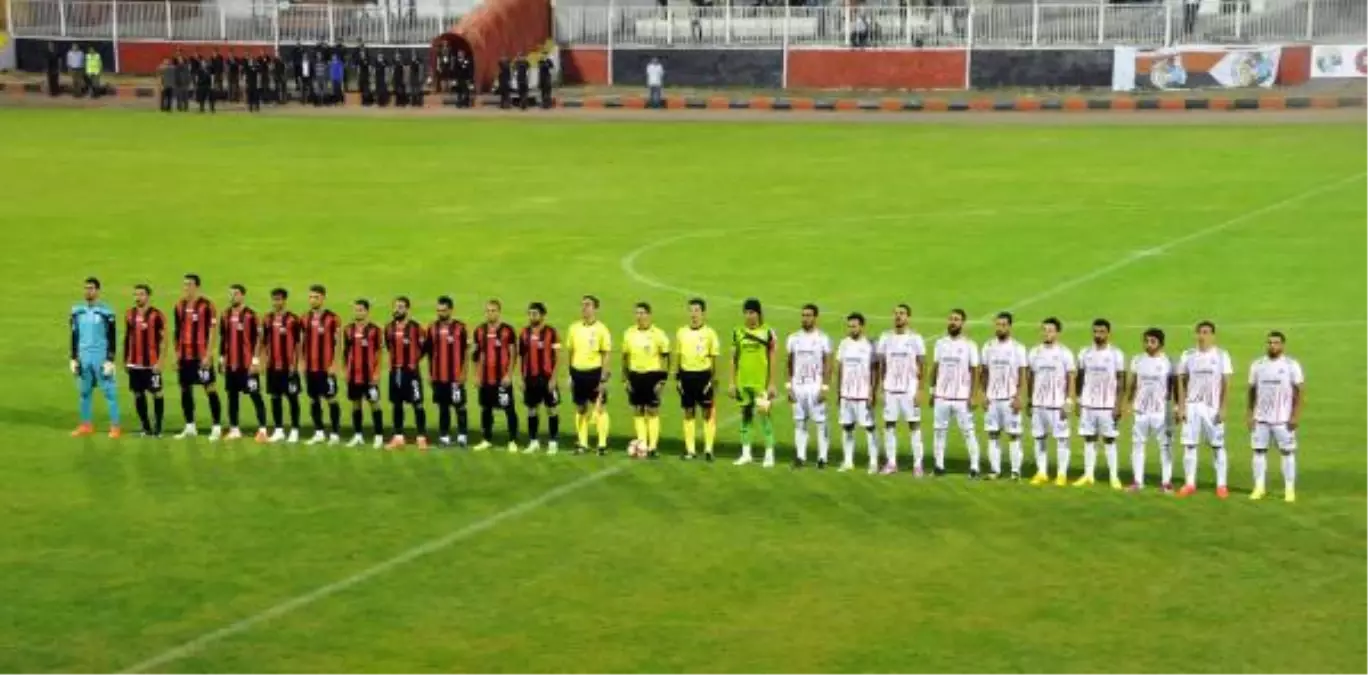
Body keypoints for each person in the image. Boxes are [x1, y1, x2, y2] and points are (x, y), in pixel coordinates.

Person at [1175, 321, 1234, 498]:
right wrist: (1180, 406)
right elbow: (1181, 381)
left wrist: (1223, 408)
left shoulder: (1222, 355)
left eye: (1206, 332)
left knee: (1217, 446)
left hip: (1212, 408)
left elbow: (1226, 383)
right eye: (1200, 332)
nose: (1202, 336)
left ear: (1213, 335)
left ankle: (1221, 485)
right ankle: (1189, 483)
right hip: (1192, 406)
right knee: (1189, 445)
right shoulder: (1188, 355)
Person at [1247, 331, 1304, 503]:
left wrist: (1295, 415)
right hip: (1261, 418)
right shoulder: (1257, 365)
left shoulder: (1291, 365)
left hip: (1283, 419)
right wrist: (1250, 414)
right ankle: (1259, 487)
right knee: (1258, 452)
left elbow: (1299, 391)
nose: (1272, 345)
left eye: (1276, 342)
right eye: (1270, 342)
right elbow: (1252, 390)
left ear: (1283, 345)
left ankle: (1289, 490)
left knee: (1287, 453)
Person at [928, 309, 982, 477]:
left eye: (956, 319)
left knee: (968, 431)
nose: (952, 322)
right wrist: (932, 390)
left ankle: (974, 467)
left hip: (961, 397)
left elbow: (975, 371)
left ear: (963, 323)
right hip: (941, 396)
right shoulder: (940, 343)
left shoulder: (969, 345)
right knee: (939, 431)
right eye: (951, 319)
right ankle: (938, 465)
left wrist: (973, 395)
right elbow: (935, 368)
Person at [874, 304, 926, 475]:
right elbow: (881, 365)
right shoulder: (885, 337)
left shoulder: (916, 338)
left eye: (902, 313)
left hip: (909, 389)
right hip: (890, 388)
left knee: (914, 425)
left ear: (908, 317)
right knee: (889, 425)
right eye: (896, 313)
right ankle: (891, 463)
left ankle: (918, 464)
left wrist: (920, 390)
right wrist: (881, 387)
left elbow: (922, 365)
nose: (898, 316)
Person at [1074, 319, 1126, 489]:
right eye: (1095, 331)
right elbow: (1080, 378)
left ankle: (1113, 476)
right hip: (1088, 404)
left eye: (1102, 332)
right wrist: (1078, 400)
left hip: (1108, 405)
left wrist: (1118, 404)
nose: (1098, 335)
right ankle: (1088, 475)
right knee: (1089, 439)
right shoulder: (1084, 352)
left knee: (1109, 440)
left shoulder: (1116, 354)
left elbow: (1121, 380)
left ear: (1108, 333)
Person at [172, 274, 222, 440]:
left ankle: (216, 426)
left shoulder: (207, 305)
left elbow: (213, 331)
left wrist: (209, 354)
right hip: (185, 357)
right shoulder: (179, 305)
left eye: (190, 284)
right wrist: (176, 354)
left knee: (210, 389)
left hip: (201, 356)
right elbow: (177, 331)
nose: (186, 287)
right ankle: (190, 426)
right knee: (185, 389)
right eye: (185, 284)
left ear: (197, 286)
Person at [70, 277, 121, 438]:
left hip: (100, 356)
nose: (88, 291)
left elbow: (112, 337)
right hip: (83, 356)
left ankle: (115, 427)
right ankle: (86, 425)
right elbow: (74, 335)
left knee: (109, 393)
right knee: (84, 392)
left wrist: (110, 359)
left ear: (98, 291)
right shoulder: (76, 311)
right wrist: (73, 357)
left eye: (91, 288)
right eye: (86, 288)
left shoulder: (107, 312)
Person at [1026, 317, 1075, 485]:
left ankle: (1061, 474)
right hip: (1039, 403)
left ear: (1057, 333)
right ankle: (1041, 472)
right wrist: (1030, 400)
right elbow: (1031, 377)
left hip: (1057, 405)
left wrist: (1069, 400)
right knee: (1039, 438)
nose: (1047, 333)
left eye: (1050, 330)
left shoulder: (1065, 353)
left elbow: (1071, 377)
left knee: (1062, 439)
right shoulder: (1034, 352)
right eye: (1044, 330)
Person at [980, 311, 1028, 480]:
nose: (1000, 328)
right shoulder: (988, 346)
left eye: (1003, 325)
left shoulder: (1018, 348)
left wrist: (1019, 396)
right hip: (992, 399)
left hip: (1009, 398)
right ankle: (995, 470)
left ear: (1009, 326)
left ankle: (1015, 471)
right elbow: (984, 373)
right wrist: (984, 394)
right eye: (997, 324)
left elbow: (1023, 374)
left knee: (1014, 435)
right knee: (993, 434)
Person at [730, 298, 778, 467]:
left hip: (761, 384)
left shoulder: (768, 332)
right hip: (744, 383)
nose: (749, 316)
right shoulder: (738, 332)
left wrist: (771, 383)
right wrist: (732, 383)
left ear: (758, 314)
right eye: (746, 312)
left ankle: (769, 454)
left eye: (752, 312)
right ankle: (746, 453)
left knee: (765, 418)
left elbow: (773, 359)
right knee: (745, 417)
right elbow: (734, 360)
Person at [1126, 328, 1174, 492]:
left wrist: (1174, 407)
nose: (1148, 344)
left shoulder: (1168, 361)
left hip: (1161, 411)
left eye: (1152, 341)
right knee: (1138, 445)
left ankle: (1166, 482)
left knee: (1165, 446)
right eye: (1146, 341)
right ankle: (1137, 481)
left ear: (1160, 343)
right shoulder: (1137, 360)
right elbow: (1132, 384)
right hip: (1141, 410)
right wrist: (1128, 404)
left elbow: (1172, 386)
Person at [220, 285, 268, 442]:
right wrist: (221, 359)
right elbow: (223, 338)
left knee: (255, 395)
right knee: (232, 396)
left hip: (247, 365)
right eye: (230, 293)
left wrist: (255, 361)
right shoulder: (225, 314)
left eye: (235, 294)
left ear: (242, 296)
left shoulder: (251, 315)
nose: (232, 296)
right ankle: (234, 429)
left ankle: (262, 430)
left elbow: (259, 340)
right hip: (231, 364)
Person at [675, 298, 720, 461]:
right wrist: (677, 376)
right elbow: (678, 355)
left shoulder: (710, 333)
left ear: (703, 313)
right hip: (686, 376)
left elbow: (714, 358)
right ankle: (690, 450)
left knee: (707, 413)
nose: (693, 314)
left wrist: (714, 379)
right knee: (688, 412)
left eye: (696, 310)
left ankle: (708, 449)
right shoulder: (682, 332)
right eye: (691, 310)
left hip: (703, 376)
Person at [786, 304, 831, 468]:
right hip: (798, 387)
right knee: (800, 423)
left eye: (809, 315)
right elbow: (789, 364)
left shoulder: (823, 338)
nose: (805, 318)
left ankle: (822, 458)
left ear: (815, 317)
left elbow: (828, 364)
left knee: (820, 423)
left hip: (815, 386)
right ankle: (800, 457)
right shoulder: (793, 338)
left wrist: (825, 387)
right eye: (803, 315)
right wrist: (789, 386)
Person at [622, 303, 670, 458]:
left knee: (652, 410)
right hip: (634, 375)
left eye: (642, 313)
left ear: (649, 315)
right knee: (638, 410)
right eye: (637, 313)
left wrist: (662, 381)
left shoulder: (658, 334)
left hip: (652, 376)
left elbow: (666, 357)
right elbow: (625, 357)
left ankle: (653, 447)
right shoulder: (629, 333)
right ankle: (642, 443)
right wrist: (625, 378)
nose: (639, 316)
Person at [566, 295, 612, 455]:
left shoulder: (602, 329)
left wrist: (604, 376)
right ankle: (583, 443)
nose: (584, 308)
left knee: (599, 408)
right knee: (580, 408)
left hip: (594, 372)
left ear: (595, 308)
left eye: (588, 305)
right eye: (583, 305)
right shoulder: (574, 328)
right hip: (578, 372)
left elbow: (606, 353)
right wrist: (570, 374)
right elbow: (570, 352)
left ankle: (602, 444)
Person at [472, 300, 520, 451]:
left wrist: (509, 374)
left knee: (508, 409)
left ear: (499, 312)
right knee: (486, 409)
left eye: (493, 310)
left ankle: (512, 440)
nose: (490, 313)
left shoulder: (507, 330)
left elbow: (513, 354)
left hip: (502, 379)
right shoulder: (479, 330)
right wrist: (476, 375)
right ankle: (486, 439)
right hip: (485, 379)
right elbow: (475, 355)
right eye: (488, 310)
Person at [835, 313, 878, 473]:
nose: (851, 329)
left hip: (863, 394)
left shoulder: (869, 345)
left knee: (869, 427)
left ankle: (873, 462)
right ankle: (848, 461)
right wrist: (839, 391)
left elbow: (875, 370)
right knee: (847, 427)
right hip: (846, 394)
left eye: (854, 326)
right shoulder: (844, 344)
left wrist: (872, 391)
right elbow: (840, 368)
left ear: (862, 326)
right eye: (849, 326)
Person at [260, 288, 303, 444]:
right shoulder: (267, 319)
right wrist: (262, 361)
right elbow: (264, 342)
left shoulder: (293, 319)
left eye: (279, 299)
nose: (276, 302)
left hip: (288, 366)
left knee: (292, 397)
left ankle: (295, 430)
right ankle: (278, 430)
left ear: (285, 300)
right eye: (274, 299)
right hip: (273, 366)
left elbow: (298, 343)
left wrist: (296, 364)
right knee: (275, 397)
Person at [301, 285, 343, 445]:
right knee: (313, 399)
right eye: (310, 297)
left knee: (331, 398)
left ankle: (335, 433)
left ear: (323, 298)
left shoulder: (333, 318)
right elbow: (302, 342)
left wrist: (335, 364)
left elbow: (338, 343)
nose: (312, 300)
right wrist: (302, 362)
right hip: (310, 367)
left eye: (316, 297)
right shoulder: (304, 318)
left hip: (326, 367)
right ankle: (318, 432)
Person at [384, 297, 427, 449]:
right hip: (395, 371)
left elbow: (424, 348)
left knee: (418, 404)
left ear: (407, 309)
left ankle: (421, 437)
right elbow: (389, 347)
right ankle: (398, 436)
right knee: (397, 404)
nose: (397, 310)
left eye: (401, 307)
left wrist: (412, 362)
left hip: (412, 373)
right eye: (396, 306)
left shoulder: (416, 328)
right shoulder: (388, 328)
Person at [124, 284, 167, 437]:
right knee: (138, 394)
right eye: (136, 294)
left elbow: (163, 340)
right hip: (134, 363)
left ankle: (158, 427)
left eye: (141, 294)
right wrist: (125, 360)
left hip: (152, 363)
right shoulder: (129, 314)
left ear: (148, 296)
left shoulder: (157, 315)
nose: (138, 297)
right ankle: (146, 427)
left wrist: (161, 361)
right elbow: (127, 338)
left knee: (157, 393)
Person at [428, 296, 470, 448]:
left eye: (443, 310)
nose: (440, 313)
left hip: (455, 376)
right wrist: (430, 373)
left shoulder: (460, 328)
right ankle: (444, 436)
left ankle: (462, 436)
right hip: (439, 376)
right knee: (443, 407)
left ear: (451, 310)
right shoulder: (432, 328)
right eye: (438, 310)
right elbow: (430, 353)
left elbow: (466, 352)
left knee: (460, 406)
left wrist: (464, 373)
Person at [519, 302, 560, 454]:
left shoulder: (551, 332)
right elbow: (522, 356)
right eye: (530, 313)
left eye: (535, 314)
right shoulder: (524, 333)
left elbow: (557, 357)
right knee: (531, 410)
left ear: (542, 315)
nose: (532, 317)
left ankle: (553, 442)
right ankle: (533, 441)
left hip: (547, 378)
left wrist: (554, 378)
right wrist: (522, 378)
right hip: (530, 378)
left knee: (552, 409)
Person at [343, 300, 385, 449]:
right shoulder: (348, 329)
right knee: (355, 404)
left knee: (374, 404)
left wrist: (377, 373)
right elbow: (346, 352)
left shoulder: (375, 330)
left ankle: (379, 436)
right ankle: (358, 435)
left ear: (367, 311)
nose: (358, 312)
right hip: (353, 374)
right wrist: (346, 371)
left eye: (361, 310)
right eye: (356, 310)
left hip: (369, 376)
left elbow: (379, 353)